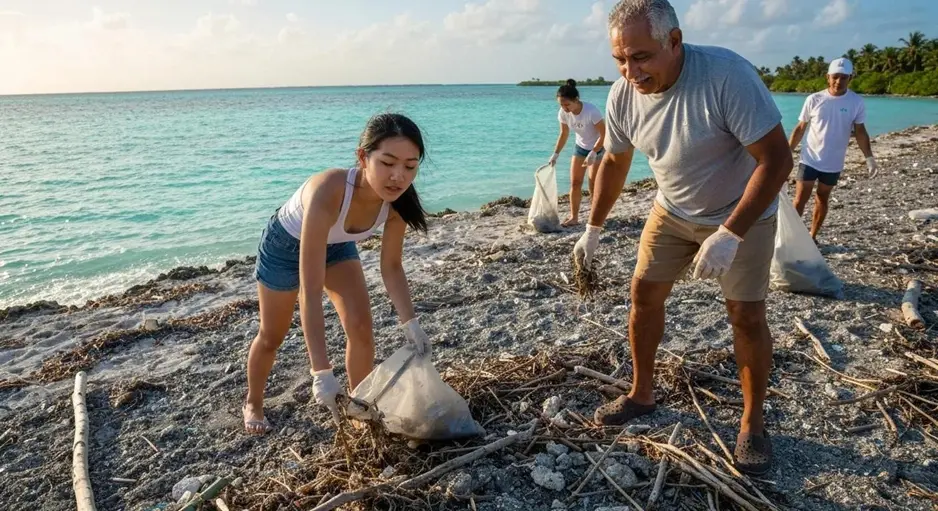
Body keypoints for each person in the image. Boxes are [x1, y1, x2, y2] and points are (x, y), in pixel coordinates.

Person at [573, 0, 792, 475]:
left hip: (743, 214)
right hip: (671, 210)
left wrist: (731, 232)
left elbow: (776, 161)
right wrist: (593, 227)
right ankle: (641, 393)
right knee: (643, 296)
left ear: (674, 41)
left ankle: (753, 423)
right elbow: (614, 161)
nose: (630, 70)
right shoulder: (621, 96)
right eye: (620, 59)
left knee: (746, 315)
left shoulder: (726, 76)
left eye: (641, 56)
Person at [242, 113, 432, 435]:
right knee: (272, 335)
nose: (398, 176)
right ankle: (253, 402)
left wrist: (411, 324)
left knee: (360, 326)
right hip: (286, 246)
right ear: (363, 156)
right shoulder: (329, 190)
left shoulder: (399, 201)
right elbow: (311, 290)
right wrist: (321, 372)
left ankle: (360, 405)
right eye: (388, 163)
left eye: (410, 166)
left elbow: (391, 267)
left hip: (337, 245)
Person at [788, 58, 877, 240]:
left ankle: (812, 236)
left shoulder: (856, 102)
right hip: (809, 158)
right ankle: (792, 239)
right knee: (799, 199)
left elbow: (860, 132)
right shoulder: (814, 99)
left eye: (844, 78)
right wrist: (786, 152)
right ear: (827, 77)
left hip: (834, 162)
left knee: (822, 198)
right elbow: (800, 128)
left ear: (850, 78)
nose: (838, 81)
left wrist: (869, 158)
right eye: (835, 77)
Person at [548, 79, 607, 226]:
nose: (564, 108)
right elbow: (564, 134)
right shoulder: (563, 113)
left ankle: (595, 217)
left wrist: (594, 152)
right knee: (575, 182)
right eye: (561, 104)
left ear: (576, 100)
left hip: (597, 148)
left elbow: (604, 134)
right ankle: (574, 217)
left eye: (567, 104)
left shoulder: (591, 111)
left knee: (593, 183)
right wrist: (555, 154)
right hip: (580, 148)